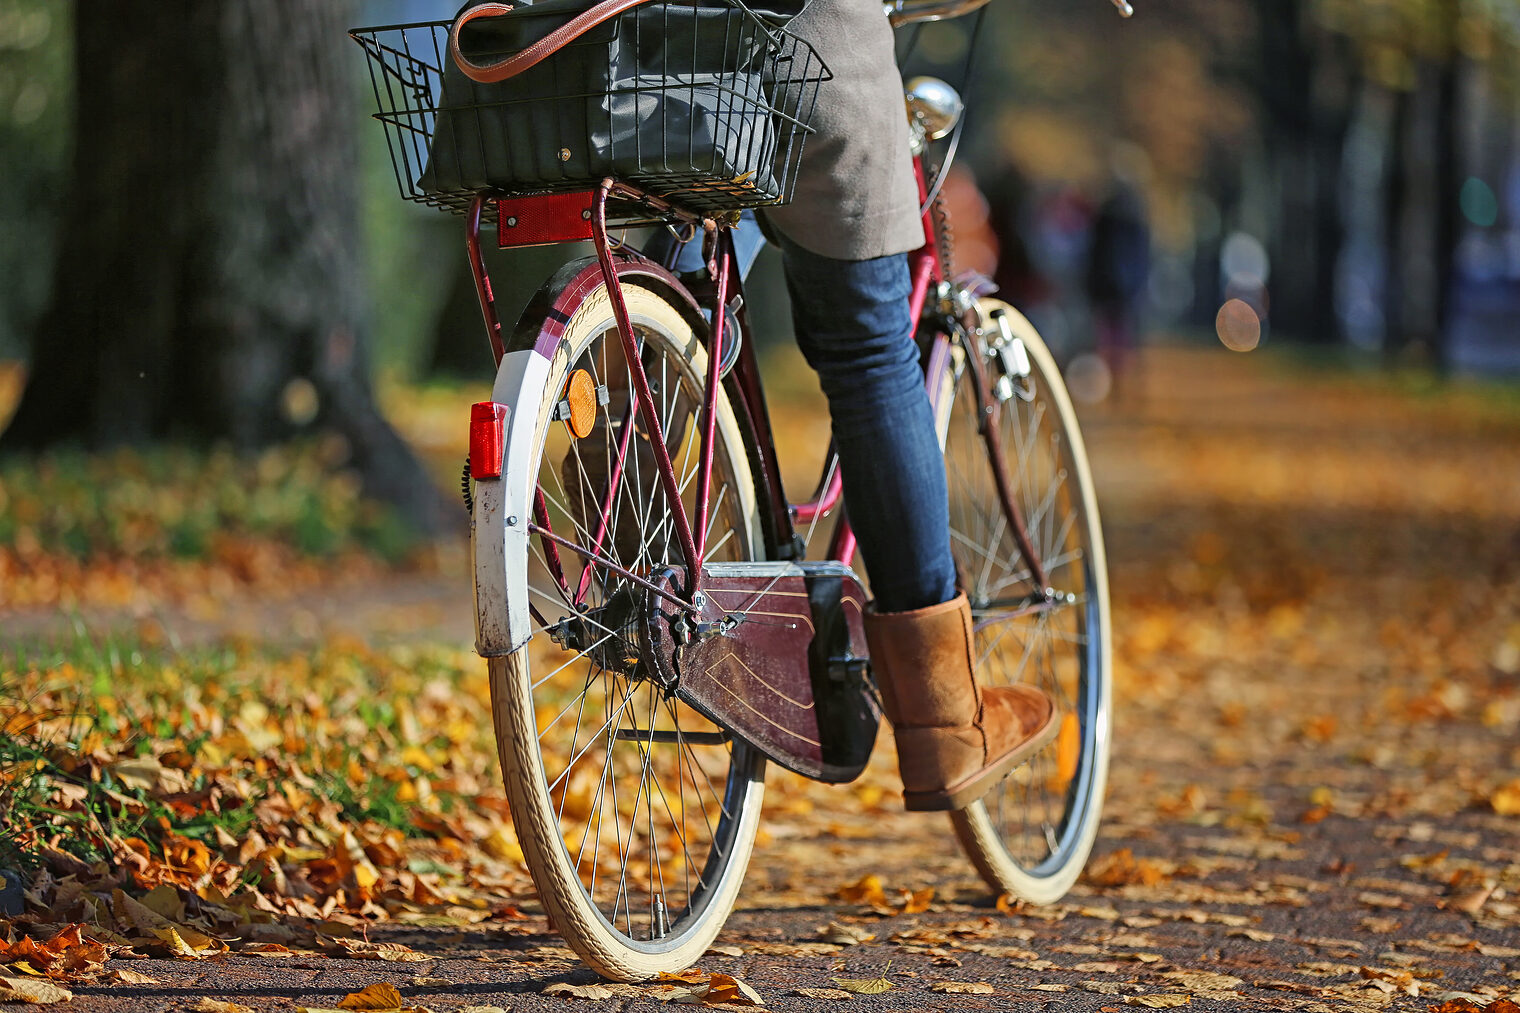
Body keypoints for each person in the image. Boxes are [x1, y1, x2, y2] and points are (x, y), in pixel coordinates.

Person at [754, 0, 1058, 812]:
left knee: (675, 270)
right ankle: (945, 722)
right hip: (802, 61)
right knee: (869, 355)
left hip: (619, 63)